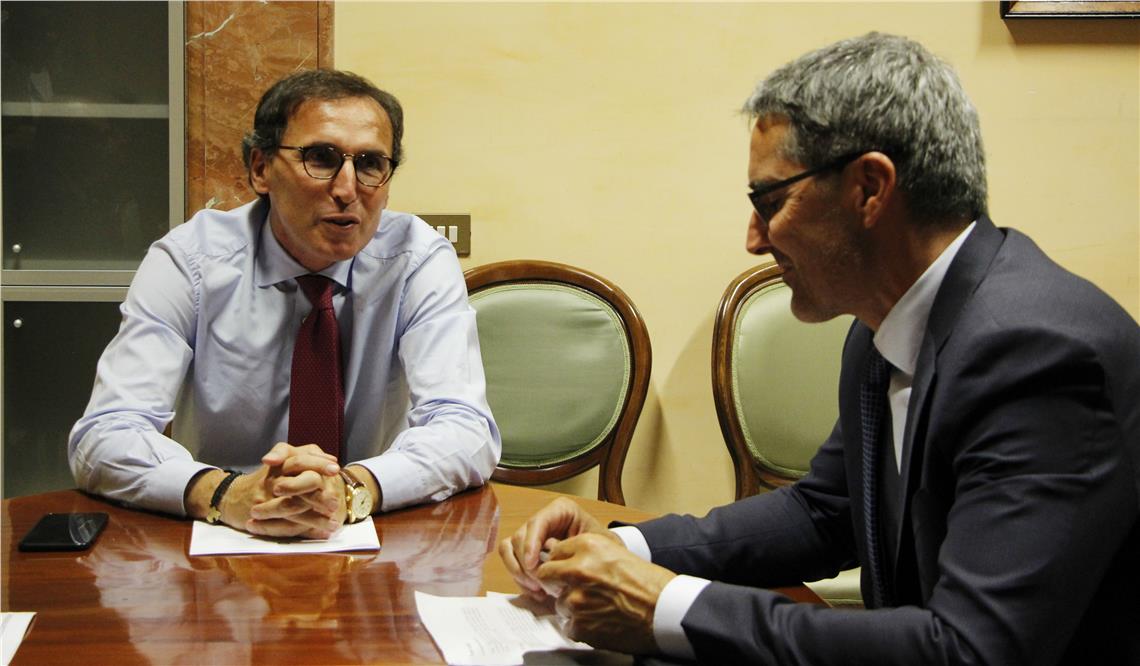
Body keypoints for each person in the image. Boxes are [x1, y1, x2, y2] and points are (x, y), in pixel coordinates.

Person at [501, 32, 1140, 665]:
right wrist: (630, 549)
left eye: (770, 200)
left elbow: (971, 650)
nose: (755, 238)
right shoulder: (884, 325)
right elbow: (827, 511)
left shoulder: (1037, 354)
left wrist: (663, 606)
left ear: (869, 188)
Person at [70, 69, 501, 540]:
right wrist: (224, 493)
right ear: (261, 169)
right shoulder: (190, 261)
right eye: (321, 158)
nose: (347, 189)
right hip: (224, 532)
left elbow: (465, 429)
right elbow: (106, 435)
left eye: (371, 164)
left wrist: (351, 488)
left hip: (366, 529)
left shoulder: (416, 259)